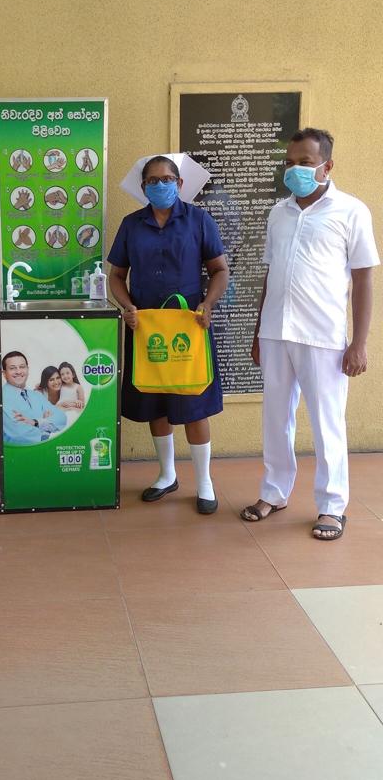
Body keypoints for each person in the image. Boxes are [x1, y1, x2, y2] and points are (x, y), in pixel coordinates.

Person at [240, 128, 380, 540]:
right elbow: (271, 273)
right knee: (275, 418)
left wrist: (359, 342)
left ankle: (332, 506)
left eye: (304, 162)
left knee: (326, 422)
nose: (295, 169)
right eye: (289, 162)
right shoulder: (278, 212)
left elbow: (364, 280)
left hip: (323, 336)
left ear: (327, 166)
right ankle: (275, 492)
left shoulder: (351, 211)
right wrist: (257, 331)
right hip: (275, 332)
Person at [108, 155, 229, 512]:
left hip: (188, 327)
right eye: (152, 180)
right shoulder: (132, 224)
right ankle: (166, 475)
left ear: (179, 183)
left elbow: (220, 270)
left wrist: (207, 305)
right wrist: (127, 307)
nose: (160, 185)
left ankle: (204, 483)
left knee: (193, 404)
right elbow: (116, 275)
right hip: (147, 329)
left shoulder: (199, 220)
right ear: (142, 186)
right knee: (156, 402)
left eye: (167, 179)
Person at [2, 351, 66, 445]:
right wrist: (46, 429)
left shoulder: (36, 395)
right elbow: (19, 434)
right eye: (12, 368)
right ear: (4, 373)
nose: (18, 371)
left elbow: (62, 418)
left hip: (41, 453)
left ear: (28, 369)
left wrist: (35, 422)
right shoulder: (1, 397)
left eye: (22, 367)